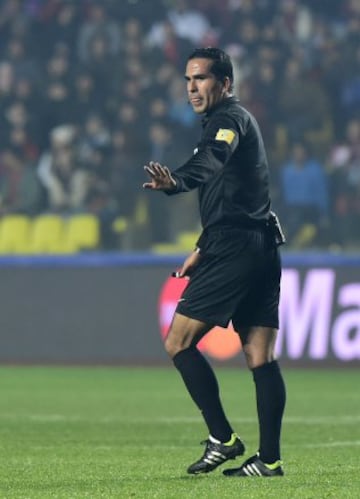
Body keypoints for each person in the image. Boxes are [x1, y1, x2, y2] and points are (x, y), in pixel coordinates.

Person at [143, 47, 286, 477]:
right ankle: (270, 460)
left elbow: (210, 162)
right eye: (188, 80)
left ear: (225, 83)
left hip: (237, 248)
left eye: (201, 79)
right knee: (260, 355)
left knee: (177, 342)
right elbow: (234, 196)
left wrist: (177, 181)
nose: (192, 88)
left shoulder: (227, 121)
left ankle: (222, 438)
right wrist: (202, 247)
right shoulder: (232, 122)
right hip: (262, 243)